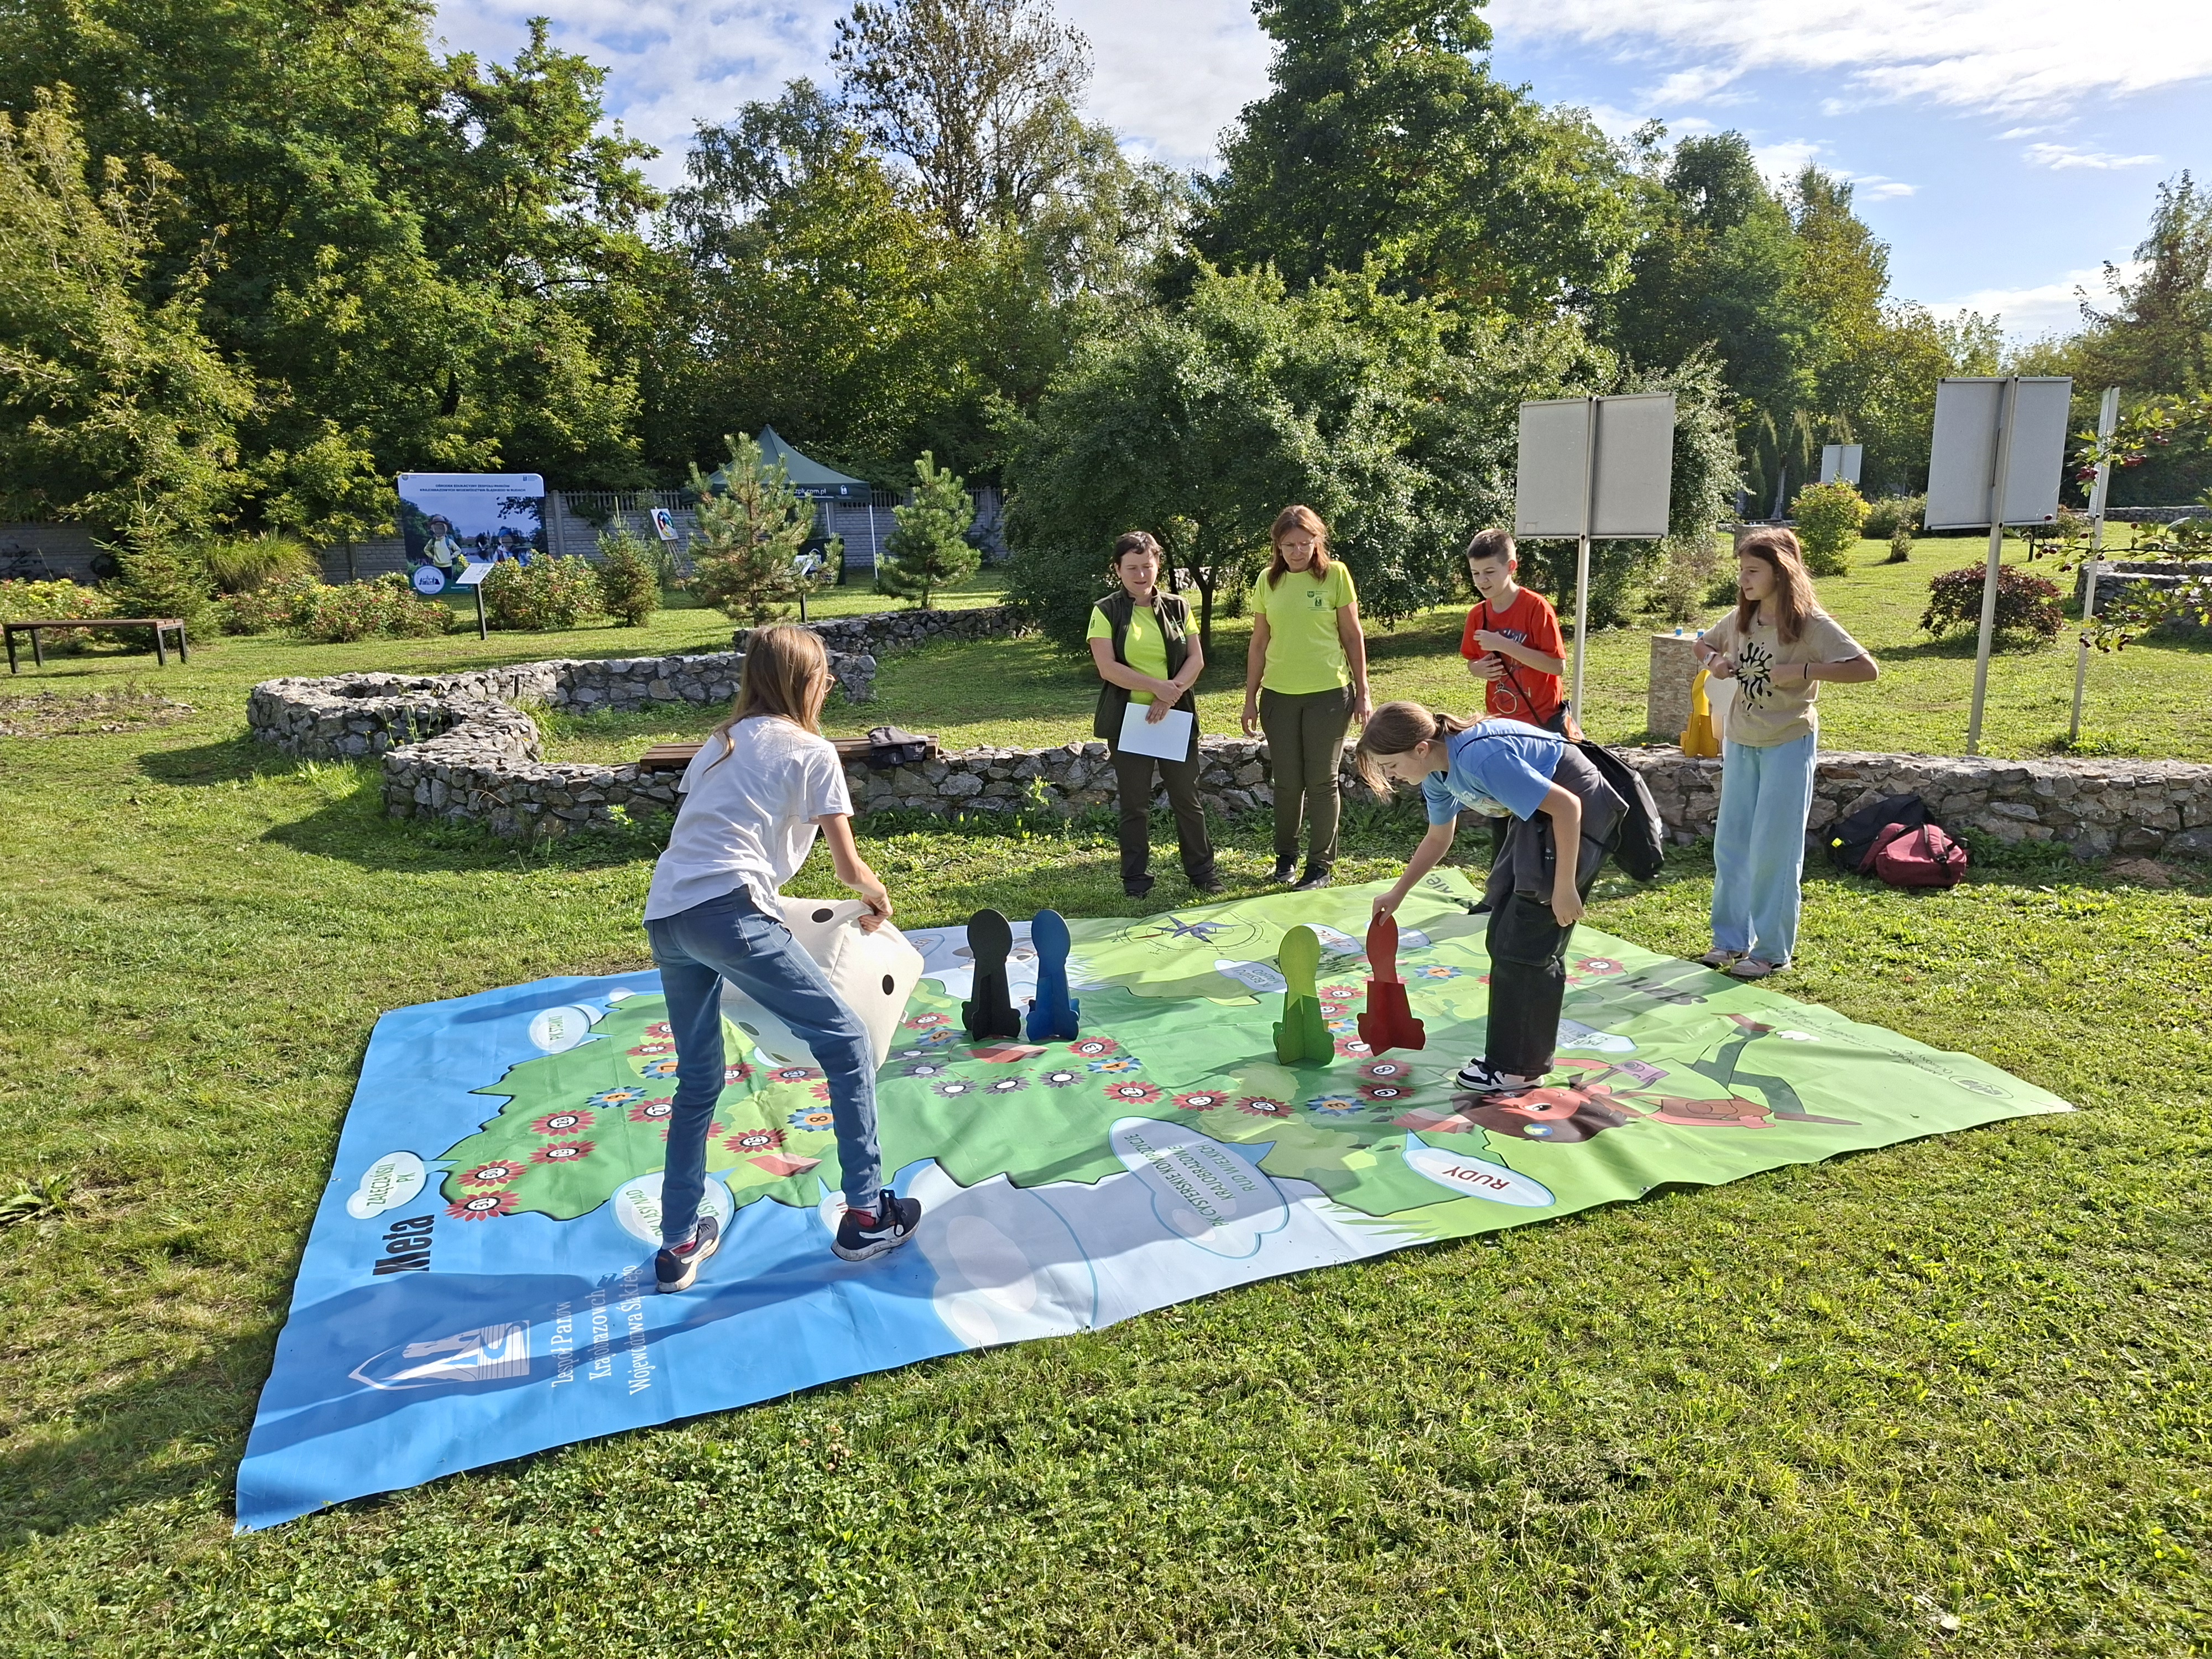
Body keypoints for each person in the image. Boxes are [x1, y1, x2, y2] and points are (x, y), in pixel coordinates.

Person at [641, 624, 922, 1289]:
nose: (830, 684)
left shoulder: (719, 745)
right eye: (824, 674)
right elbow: (849, 868)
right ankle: (866, 1215)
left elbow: (716, 834)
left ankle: (678, 1242)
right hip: (729, 914)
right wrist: (878, 897)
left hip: (667, 917)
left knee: (699, 1078)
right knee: (846, 1040)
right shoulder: (812, 751)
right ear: (805, 681)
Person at [1357, 702, 1624, 1096]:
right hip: (1542, 817)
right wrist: (1399, 892)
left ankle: (1518, 1070)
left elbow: (1569, 806)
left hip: (1578, 809)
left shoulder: (1478, 757)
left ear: (1420, 749)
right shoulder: (1437, 772)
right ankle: (1516, 1060)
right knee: (1504, 937)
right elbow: (1439, 837)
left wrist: (1564, 886)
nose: (1391, 775)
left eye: (1391, 765)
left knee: (1526, 945)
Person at [1692, 528, 1879, 980]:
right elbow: (1703, 642)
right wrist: (1714, 662)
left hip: (1787, 744)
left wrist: (1805, 669)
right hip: (1741, 740)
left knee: (1774, 850)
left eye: (1752, 571)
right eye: (1742, 571)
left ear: (1781, 572)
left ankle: (1771, 952)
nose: (1743, 580)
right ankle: (1729, 941)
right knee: (1732, 844)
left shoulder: (1812, 624)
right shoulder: (1743, 617)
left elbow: (1866, 669)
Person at [1240, 505, 1371, 891]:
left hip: (1329, 694)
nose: (1297, 552)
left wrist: (1363, 691)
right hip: (1278, 696)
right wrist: (1250, 698)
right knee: (1287, 783)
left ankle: (1320, 866)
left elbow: (1352, 636)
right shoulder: (1267, 581)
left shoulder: (1336, 575)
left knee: (1322, 782)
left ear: (1317, 542)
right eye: (1288, 545)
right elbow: (1259, 642)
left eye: (1304, 543)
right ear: (1278, 547)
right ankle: (1286, 858)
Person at [1087, 531, 1219, 899]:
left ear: (1158, 565)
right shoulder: (1105, 611)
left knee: (1187, 800)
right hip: (1129, 721)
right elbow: (1107, 668)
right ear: (1117, 569)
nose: (1141, 574)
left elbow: (1196, 660)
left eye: (1147, 566)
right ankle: (1136, 881)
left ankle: (1203, 875)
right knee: (1135, 805)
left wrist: (1168, 695)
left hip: (1175, 717)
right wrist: (1158, 688)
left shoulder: (1179, 607)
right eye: (1132, 568)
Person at [1459, 529, 1567, 734]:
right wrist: (1477, 669)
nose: (1482, 581)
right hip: (1500, 723)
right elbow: (1472, 661)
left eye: (1490, 572)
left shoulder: (1537, 608)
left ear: (1511, 567)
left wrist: (1503, 644)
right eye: (1476, 573)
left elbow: (1557, 666)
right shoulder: (1477, 615)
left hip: (1543, 722)